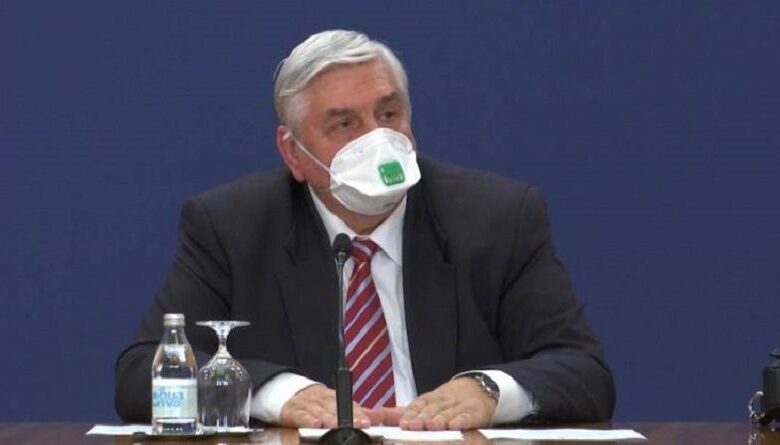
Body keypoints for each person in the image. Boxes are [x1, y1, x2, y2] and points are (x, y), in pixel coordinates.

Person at [115, 29, 614, 430]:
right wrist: (278, 394)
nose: (378, 140)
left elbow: (584, 370)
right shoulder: (233, 226)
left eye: (388, 114)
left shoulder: (498, 217)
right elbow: (141, 373)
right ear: (293, 153)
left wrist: (487, 391)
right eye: (344, 125)